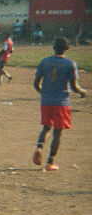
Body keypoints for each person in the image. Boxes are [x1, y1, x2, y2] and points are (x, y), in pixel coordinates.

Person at [32, 37, 86, 171]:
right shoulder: (70, 64)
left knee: (46, 128)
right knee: (57, 133)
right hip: (61, 102)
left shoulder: (44, 62)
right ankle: (50, 162)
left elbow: (36, 84)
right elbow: (74, 87)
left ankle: (39, 147)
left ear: (53, 47)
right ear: (67, 49)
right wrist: (82, 92)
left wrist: (43, 92)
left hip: (46, 101)